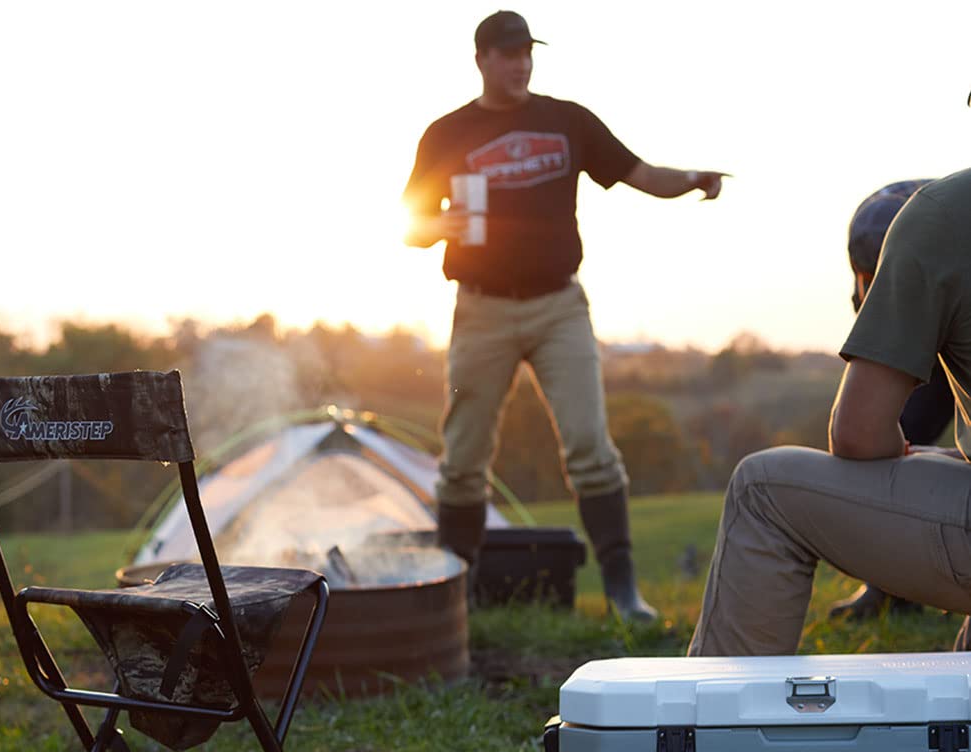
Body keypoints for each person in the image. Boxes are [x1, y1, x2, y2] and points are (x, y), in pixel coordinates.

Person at [402, 10, 727, 622]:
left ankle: (624, 595)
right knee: (465, 459)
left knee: (589, 446)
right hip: (481, 312)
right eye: (508, 53)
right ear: (481, 60)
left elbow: (639, 173)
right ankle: (458, 599)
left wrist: (691, 180)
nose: (521, 62)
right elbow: (409, 226)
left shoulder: (567, 120)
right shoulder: (446, 133)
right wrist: (441, 224)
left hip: (559, 309)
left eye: (527, 52)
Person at [687, 168, 971, 657]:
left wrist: (905, 455)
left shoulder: (943, 212)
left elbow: (858, 434)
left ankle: (714, 729)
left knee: (763, 489)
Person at [825, 179, 956, 620]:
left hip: (960, 338)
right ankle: (887, 585)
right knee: (894, 430)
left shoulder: (939, 221)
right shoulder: (873, 235)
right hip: (928, 353)